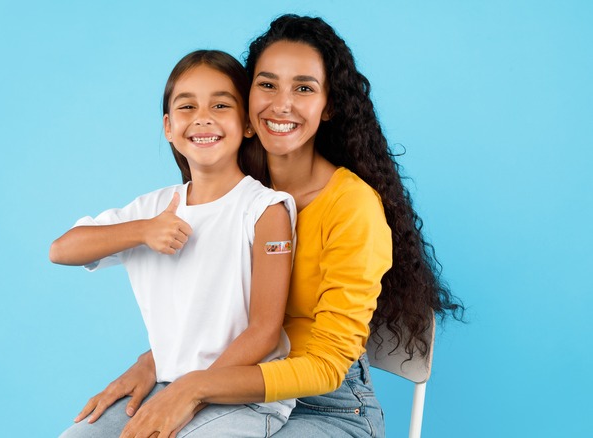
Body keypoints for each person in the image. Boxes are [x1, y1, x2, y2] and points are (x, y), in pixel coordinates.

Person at [78, 15, 464, 438]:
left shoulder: (352, 207)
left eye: (304, 88)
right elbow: (211, 309)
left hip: (329, 408)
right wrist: (152, 364)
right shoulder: (236, 189)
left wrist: (192, 388)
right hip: (225, 386)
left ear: (329, 104)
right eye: (267, 84)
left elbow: (327, 366)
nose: (281, 104)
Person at [50, 50, 298, 437]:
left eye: (221, 104)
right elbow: (62, 250)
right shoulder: (152, 208)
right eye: (187, 106)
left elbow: (264, 331)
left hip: (246, 396)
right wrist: (142, 231)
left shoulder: (265, 210)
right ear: (168, 126)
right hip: (168, 385)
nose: (203, 117)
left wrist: (190, 393)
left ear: (248, 124)